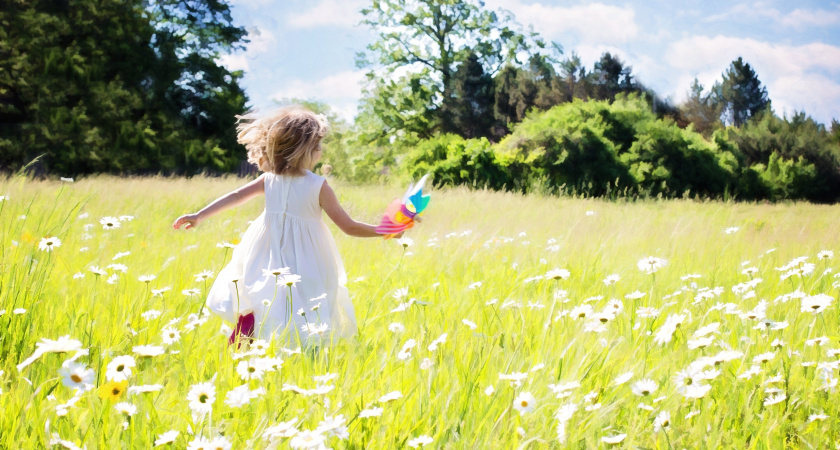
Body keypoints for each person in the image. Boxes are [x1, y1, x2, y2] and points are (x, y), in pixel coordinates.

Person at [172, 106, 394, 346]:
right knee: (306, 302)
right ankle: (297, 348)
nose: (320, 152)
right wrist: (386, 230)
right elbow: (348, 226)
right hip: (306, 256)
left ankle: (252, 335)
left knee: (263, 292)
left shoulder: (269, 179)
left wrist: (200, 215)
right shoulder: (318, 185)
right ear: (303, 150)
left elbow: (236, 196)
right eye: (317, 146)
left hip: (265, 248)